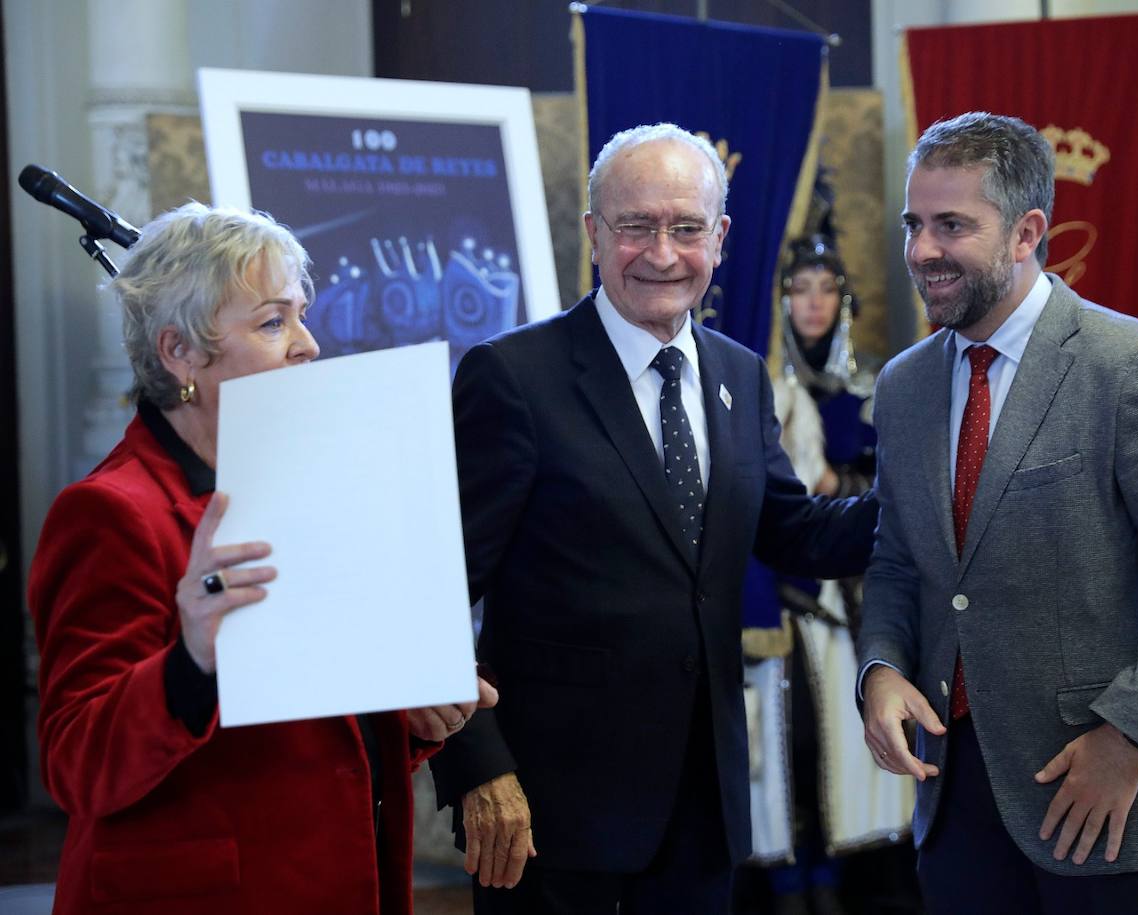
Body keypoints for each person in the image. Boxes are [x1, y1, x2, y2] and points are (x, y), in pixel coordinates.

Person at [429, 122, 878, 914]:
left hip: (701, 817)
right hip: (548, 820)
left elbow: (792, 530)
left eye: (685, 228)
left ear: (721, 237)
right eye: (635, 226)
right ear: (595, 233)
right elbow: (429, 592)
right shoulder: (514, 378)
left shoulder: (738, 374)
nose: (662, 253)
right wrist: (477, 767)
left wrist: (933, 501)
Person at [28, 202, 495, 915]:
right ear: (180, 351)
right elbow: (76, 765)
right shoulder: (112, 512)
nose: (308, 344)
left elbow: (314, 730)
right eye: (274, 321)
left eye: (302, 315)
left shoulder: (313, 482)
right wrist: (189, 661)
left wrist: (411, 716)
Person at [857, 112, 1138, 914]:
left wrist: (1131, 736)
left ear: (1026, 232)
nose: (921, 251)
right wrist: (879, 667)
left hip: (1097, 788)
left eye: (951, 225)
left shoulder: (1129, 366)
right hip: (951, 796)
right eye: (914, 224)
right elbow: (898, 560)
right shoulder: (902, 387)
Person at [740, 234, 912, 915]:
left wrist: (842, 480)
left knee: (841, 749)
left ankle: (839, 887)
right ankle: (786, 885)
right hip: (766, 591)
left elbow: (896, 485)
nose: (812, 303)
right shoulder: (753, 383)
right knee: (779, 750)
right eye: (799, 288)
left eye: (825, 288)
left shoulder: (874, 387)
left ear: (843, 301)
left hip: (844, 597)